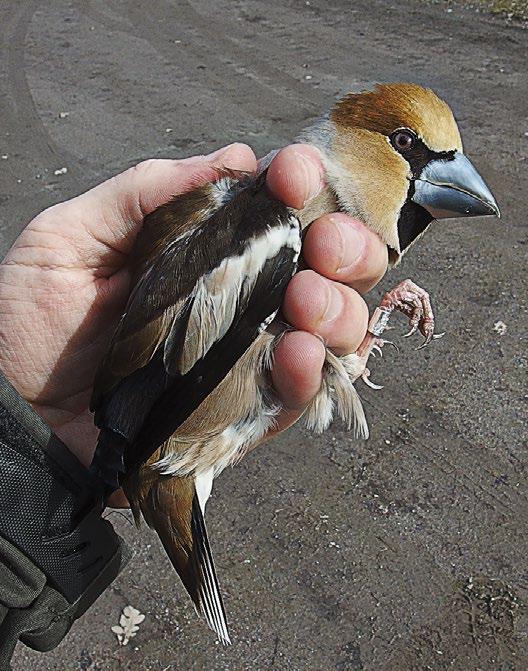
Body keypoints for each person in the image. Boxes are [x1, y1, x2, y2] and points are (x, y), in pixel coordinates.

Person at [0, 143, 388, 664]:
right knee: (298, 347)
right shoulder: (267, 224)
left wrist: (31, 454)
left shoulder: (260, 218)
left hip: (112, 432)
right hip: (157, 440)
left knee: (303, 347)